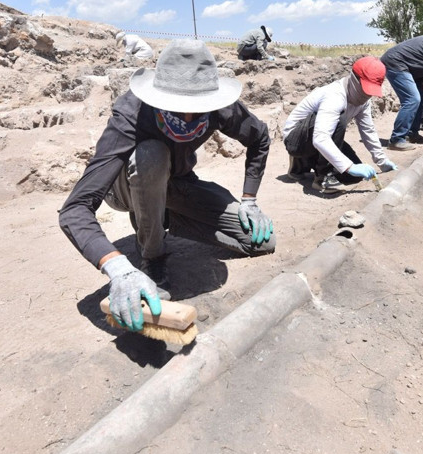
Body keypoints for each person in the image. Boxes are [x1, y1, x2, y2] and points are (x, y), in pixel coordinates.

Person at [59, 39, 275, 332]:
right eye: (178, 108)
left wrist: (249, 199)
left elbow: (259, 137)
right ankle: (153, 255)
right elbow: (75, 209)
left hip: (177, 183)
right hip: (127, 187)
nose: (187, 118)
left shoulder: (220, 107)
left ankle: (160, 218)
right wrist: (119, 269)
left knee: (260, 241)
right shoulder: (132, 113)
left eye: (196, 110)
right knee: (151, 155)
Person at [282, 56, 398, 193]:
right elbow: (321, 138)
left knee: (352, 178)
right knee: (340, 120)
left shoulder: (364, 101)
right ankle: (322, 177)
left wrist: (382, 161)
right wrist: (349, 166)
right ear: (355, 79)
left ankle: (302, 162)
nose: (367, 95)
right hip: (296, 139)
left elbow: (368, 130)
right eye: (366, 88)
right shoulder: (335, 96)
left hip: (318, 136)